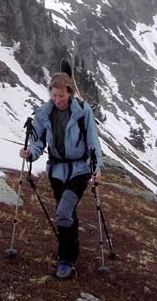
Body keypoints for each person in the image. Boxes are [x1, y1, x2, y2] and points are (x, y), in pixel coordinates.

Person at [19, 72, 103, 280]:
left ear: (70, 94)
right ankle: (71, 250)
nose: (58, 100)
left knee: (64, 210)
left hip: (80, 169)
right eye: (54, 96)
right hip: (56, 170)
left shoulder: (83, 112)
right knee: (66, 212)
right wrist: (31, 153)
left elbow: (93, 142)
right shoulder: (44, 114)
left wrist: (96, 167)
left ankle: (66, 260)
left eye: (62, 96)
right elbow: (39, 142)